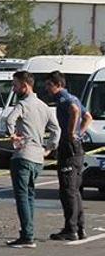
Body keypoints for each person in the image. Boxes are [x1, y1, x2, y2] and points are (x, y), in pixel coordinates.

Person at [5, 71, 61, 248]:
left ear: (25, 85)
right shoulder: (44, 106)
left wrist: (13, 135)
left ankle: (27, 236)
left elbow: (9, 119)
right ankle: (27, 233)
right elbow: (56, 130)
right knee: (29, 195)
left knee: (22, 196)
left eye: (15, 85)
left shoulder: (23, 104)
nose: (13, 89)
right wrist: (49, 148)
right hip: (37, 158)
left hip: (23, 156)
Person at [45, 71, 93, 241]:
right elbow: (88, 117)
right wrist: (80, 132)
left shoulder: (64, 98)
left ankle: (71, 229)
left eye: (49, 85)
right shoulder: (74, 97)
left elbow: (74, 111)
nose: (47, 89)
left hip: (69, 147)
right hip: (77, 147)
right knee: (75, 189)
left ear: (57, 84)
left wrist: (72, 133)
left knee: (67, 190)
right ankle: (79, 227)